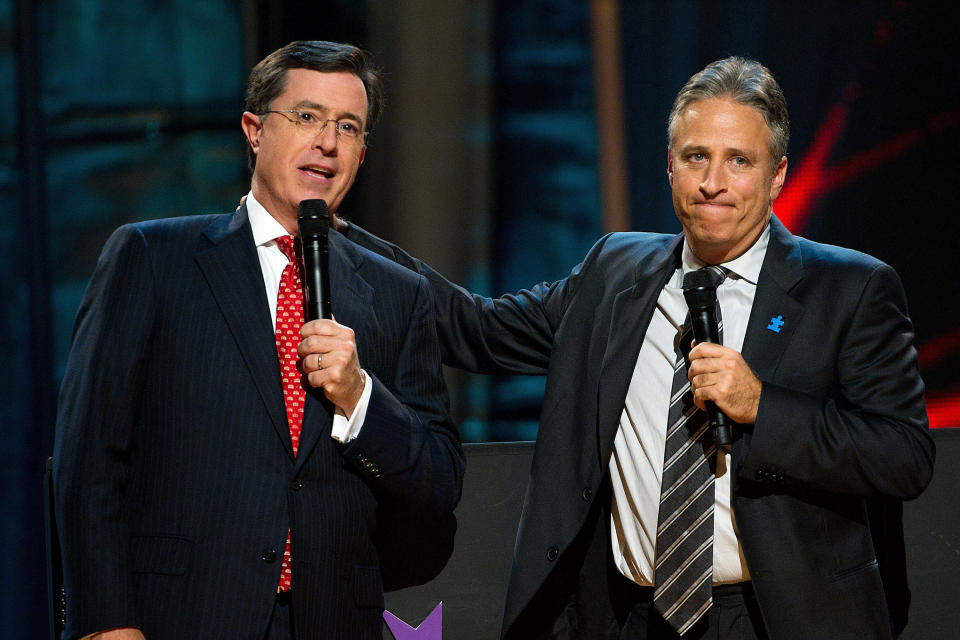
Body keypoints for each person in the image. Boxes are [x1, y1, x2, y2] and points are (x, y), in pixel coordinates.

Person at [339, 57, 934, 639]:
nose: (712, 183)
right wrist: (341, 239)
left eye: (738, 161)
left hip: (779, 616)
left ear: (777, 173)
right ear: (669, 166)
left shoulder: (850, 288)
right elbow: (478, 327)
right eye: (696, 156)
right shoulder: (614, 271)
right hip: (631, 615)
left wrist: (762, 406)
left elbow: (904, 455)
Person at [53, 40, 464, 640]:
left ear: (362, 152)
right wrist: (105, 624)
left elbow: (440, 481)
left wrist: (360, 398)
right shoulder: (154, 259)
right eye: (306, 117)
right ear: (253, 129)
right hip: (180, 616)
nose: (326, 141)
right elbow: (89, 460)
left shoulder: (399, 294)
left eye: (347, 127)